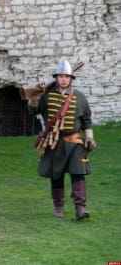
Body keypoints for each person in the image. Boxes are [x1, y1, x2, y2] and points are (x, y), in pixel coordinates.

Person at [32, 59, 97, 220]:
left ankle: (80, 209)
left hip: (74, 142)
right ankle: (58, 207)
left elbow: (86, 120)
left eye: (66, 76)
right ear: (56, 78)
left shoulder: (79, 97)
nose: (63, 79)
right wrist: (34, 98)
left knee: (78, 174)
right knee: (56, 175)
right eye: (60, 76)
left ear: (71, 79)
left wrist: (89, 137)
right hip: (53, 142)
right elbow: (32, 112)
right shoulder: (46, 96)